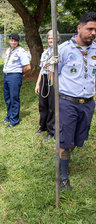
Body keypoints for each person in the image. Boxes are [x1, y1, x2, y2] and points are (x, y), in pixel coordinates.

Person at [54, 12, 96, 191]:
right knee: (65, 141)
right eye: (90, 29)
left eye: (95, 30)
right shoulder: (63, 49)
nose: (93, 33)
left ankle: (64, 161)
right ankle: (63, 177)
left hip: (87, 103)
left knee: (78, 140)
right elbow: (54, 75)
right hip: (67, 102)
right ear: (79, 28)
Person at [34, 30, 60, 141]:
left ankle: (51, 130)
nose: (50, 40)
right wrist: (38, 83)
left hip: (53, 79)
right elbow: (42, 68)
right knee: (42, 105)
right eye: (49, 38)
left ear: (58, 38)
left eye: (53, 38)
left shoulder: (60, 51)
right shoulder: (45, 52)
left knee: (51, 106)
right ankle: (43, 126)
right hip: (45, 78)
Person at [2, 33, 31, 128]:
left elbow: (27, 67)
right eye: (11, 40)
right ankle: (9, 116)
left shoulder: (21, 51)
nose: (13, 42)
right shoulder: (8, 50)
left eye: (15, 40)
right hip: (7, 76)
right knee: (7, 98)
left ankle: (14, 120)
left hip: (14, 76)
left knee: (14, 98)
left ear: (18, 41)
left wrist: (18, 74)